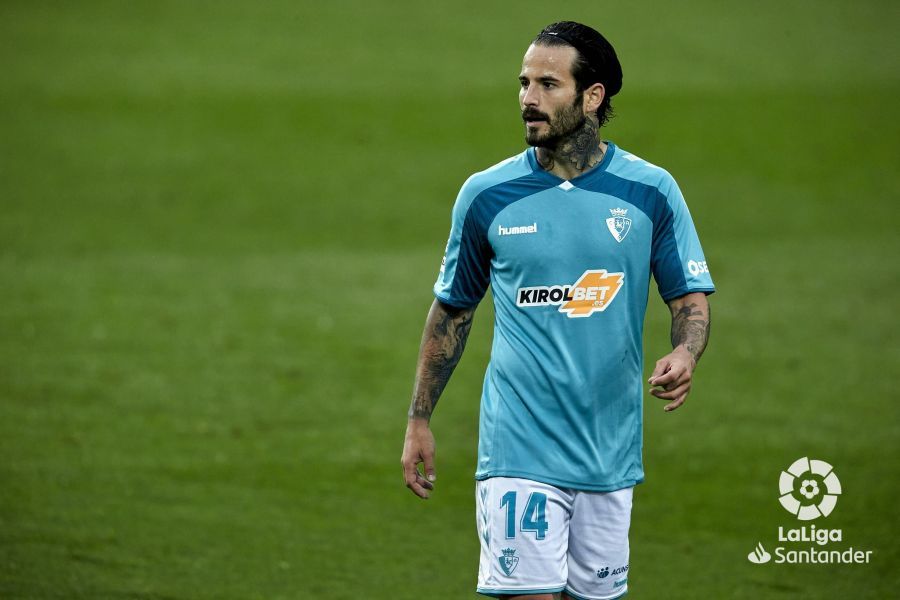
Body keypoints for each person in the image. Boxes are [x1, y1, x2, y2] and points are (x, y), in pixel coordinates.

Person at [401, 20, 714, 600]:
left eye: (548, 84)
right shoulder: (486, 195)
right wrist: (420, 418)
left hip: (610, 450)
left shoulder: (650, 192)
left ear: (592, 96)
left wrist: (685, 350)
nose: (528, 99)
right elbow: (452, 313)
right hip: (518, 444)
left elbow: (688, 297)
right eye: (523, 83)